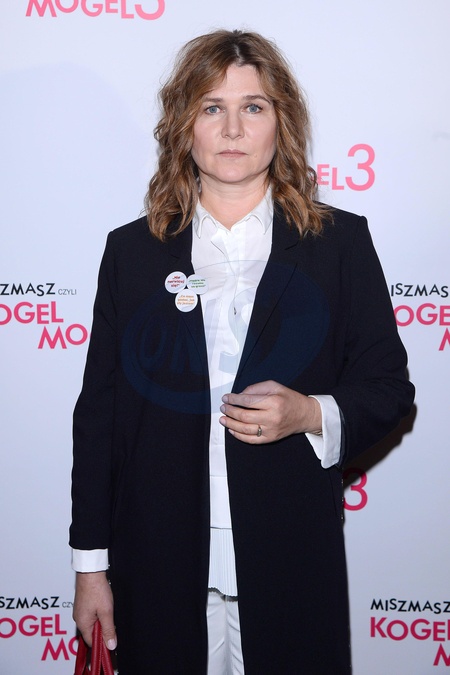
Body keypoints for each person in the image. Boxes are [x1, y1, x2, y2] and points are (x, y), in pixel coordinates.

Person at [70, 29, 415, 674]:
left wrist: (308, 413)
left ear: (281, 123)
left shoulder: (338, 244)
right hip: (157, 561)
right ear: (184, 127)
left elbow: (388, 390)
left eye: (253, 106)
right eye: (212, 107)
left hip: (290, 558)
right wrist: (91, 567)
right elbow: (99, 419)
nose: (232, 128)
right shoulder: (132, 252)